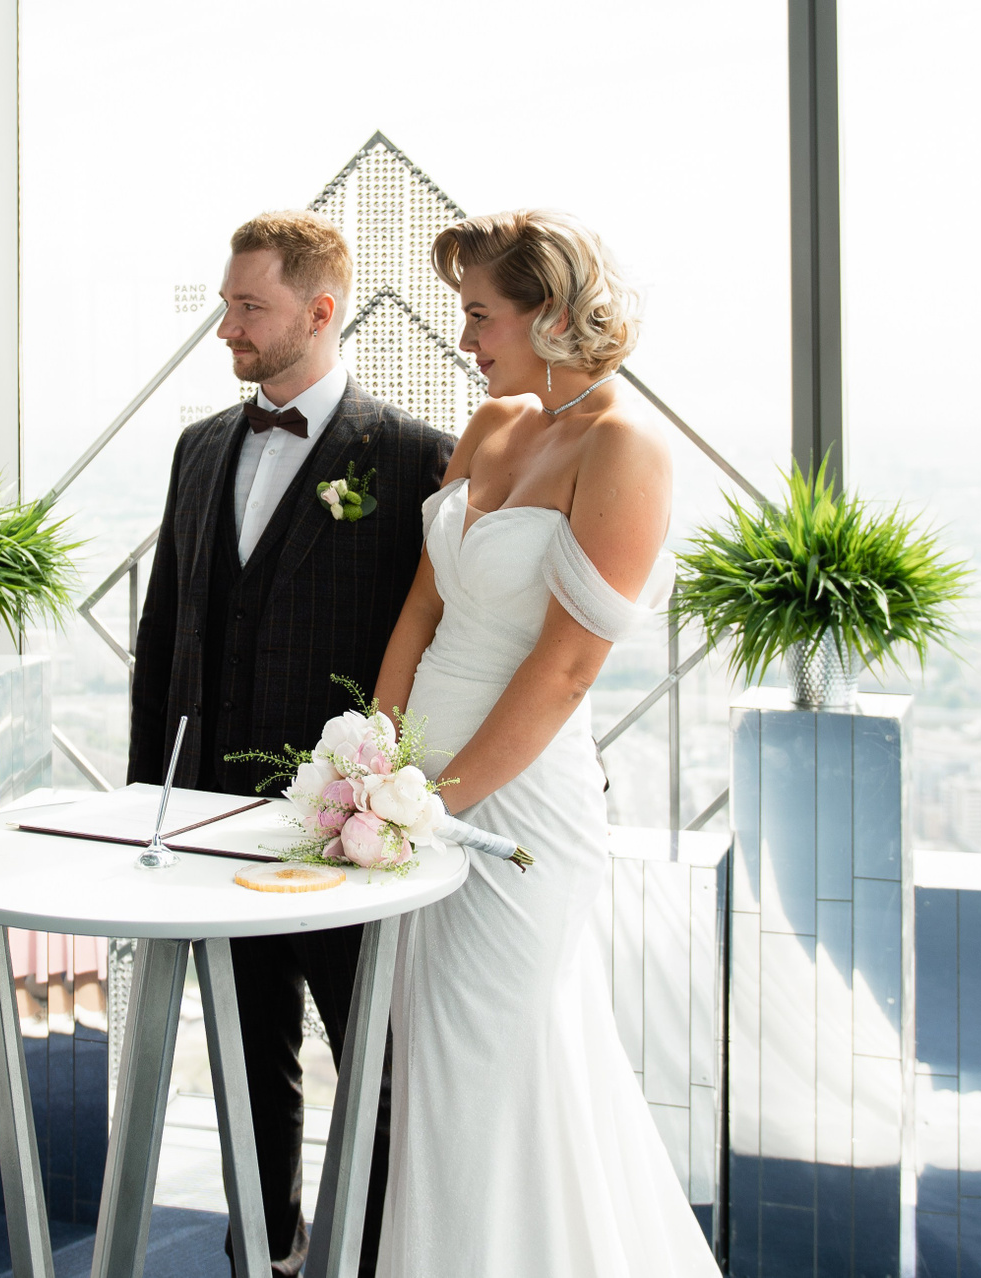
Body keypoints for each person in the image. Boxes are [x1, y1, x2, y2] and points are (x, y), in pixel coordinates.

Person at [370, 210, 717, 1276]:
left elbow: (566, 671)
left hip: (517, 808)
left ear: (553, 313)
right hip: (413, 784)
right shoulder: (491, 426)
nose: (465, 339)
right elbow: (421, 608)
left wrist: (436, 805)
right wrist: (372, 764)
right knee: (431, 1064)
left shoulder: (624, 448)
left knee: (493, 1058)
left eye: (481, 315)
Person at [129, 210, 455, 1276]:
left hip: (338, 832)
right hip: (209, 825)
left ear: (319, 312)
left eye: (248, 307)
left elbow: (433, 648)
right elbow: (164, 636)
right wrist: (147, 806)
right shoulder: (197, 448)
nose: (227, 327)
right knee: (242, 1058)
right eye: (225, 304)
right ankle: (263, 1256)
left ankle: (368, 1259)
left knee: (376, 1069)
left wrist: (393, 802)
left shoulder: (414, 457)